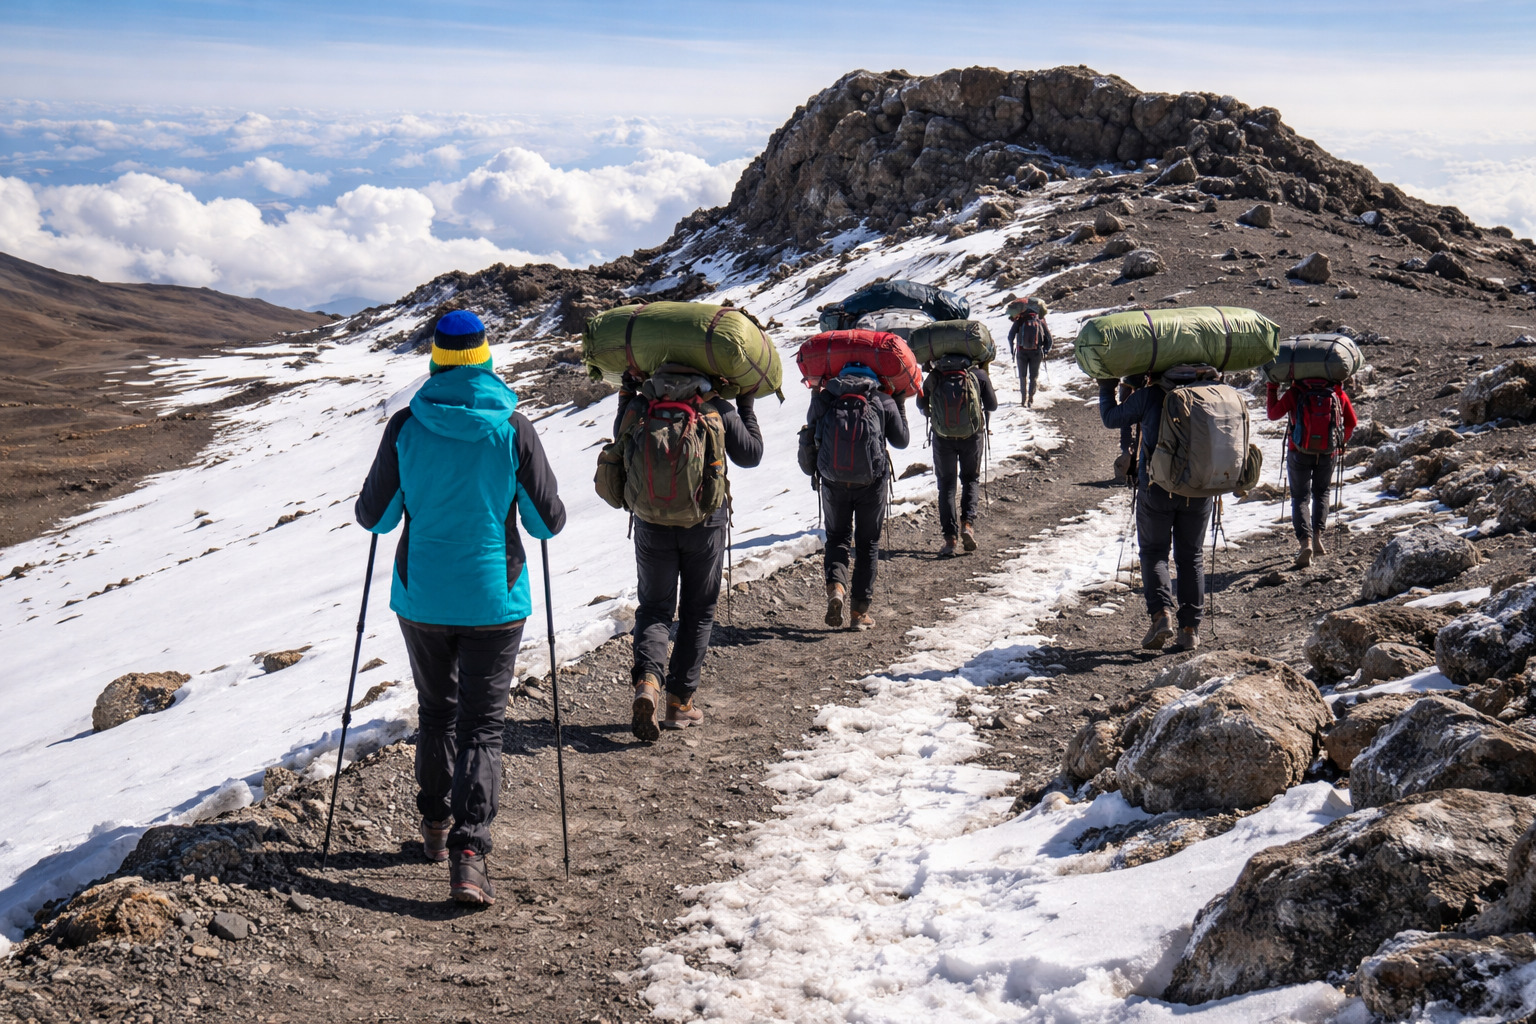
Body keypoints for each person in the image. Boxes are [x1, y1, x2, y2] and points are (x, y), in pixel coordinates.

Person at [356, 309, 566, 906]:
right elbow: (546, 521)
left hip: (421, 595)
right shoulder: (513, 428)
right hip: (495, 598)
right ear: (486, 358)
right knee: (482, 724)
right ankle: (469, 854)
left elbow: (376, 517)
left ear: (436, 361)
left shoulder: (406, 426)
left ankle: (434, 824)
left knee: (436, 711)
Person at [617, 375, 762, 742]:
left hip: (651, 522)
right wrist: (746, 404)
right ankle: (679, 703)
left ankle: (648, 682)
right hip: (703, 523)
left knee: (654, 609)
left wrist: (626, 394)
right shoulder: (714, 405)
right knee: (697, 609)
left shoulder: (643, 403)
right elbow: (751, 455)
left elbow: (620, 439)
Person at [1098, 373, 1211, 652]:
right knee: (1191, 557)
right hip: (1198, 489)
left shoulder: (1149, 395)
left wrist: (1107, 385)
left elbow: (1111, 418)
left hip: (1157, 488)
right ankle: (1190, 630)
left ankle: (1162, 616)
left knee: (1154, 552)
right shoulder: (1210, 391)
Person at [803, 363, 909, 630]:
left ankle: (837, 588)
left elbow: (810, 441)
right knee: (867, 543)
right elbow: (901, 440)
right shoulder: (881, 400)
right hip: (871, 484)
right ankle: (859, 614)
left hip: (833, 482)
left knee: (837, 539)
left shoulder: (825, 398)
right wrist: (899, 403)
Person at [1267, 378, 1358, 567]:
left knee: (1300, 497)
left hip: (1298, 451)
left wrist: (1272, 388)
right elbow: (1351, 422)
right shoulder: (1336, 392)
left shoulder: (1295, 392)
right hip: (1327, 452)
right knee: (1322, 492)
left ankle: (1305, 542)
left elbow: (1273, 414)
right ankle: (1317, 537)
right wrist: (1340, 445)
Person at [917, 358, 997, 557]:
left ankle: (950, 540)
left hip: (943, 437)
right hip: (972, 435)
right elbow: (992, 405)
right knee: (970, 479)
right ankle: (967, 525)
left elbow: (921, 405)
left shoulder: (934, 377)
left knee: (946, 485)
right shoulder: (977, 375)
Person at [1008, 307, 1053, 406]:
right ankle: (1031, 398)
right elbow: (1049, 339)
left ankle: (1023, 399)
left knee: (1022, 376)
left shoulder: (1019, 321)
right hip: (1036, 352)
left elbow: (1010, 336)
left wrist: (1012, 350)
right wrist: (1045, 350)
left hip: (1021, 352)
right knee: (1033, 376)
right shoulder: (1039, 321)